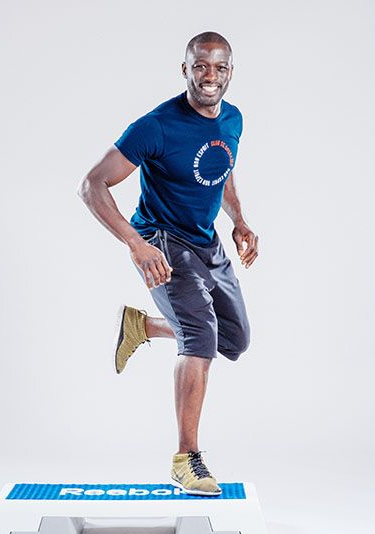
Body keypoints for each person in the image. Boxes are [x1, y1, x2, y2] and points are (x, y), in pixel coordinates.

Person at [78, 31, 259, 496]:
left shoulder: (233, 118)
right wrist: (136, 245)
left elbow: (223, 167)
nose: (210, 76)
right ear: (185, 70)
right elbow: (92, 185)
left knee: (234, 340)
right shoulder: (156, 126)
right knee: (199, 338)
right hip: (162, 239)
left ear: (231, 72)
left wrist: (239, 220)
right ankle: (186, 459)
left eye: (219, 67)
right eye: (200, 66)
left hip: (205, 241)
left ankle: (142, 326)